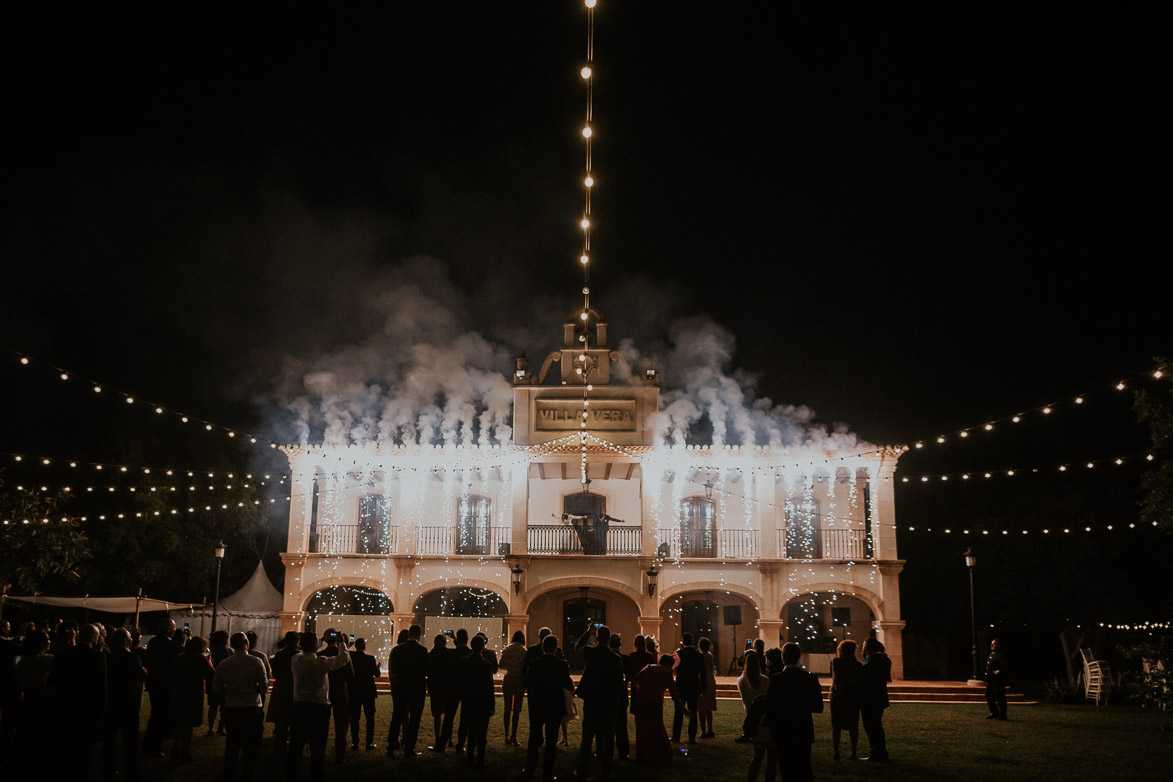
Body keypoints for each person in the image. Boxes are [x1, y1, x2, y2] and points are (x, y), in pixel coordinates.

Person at [286, 631, 352, 782]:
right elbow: (343, 659)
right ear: (315, 645)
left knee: (296, 745)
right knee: (318, 747)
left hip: (299, 706)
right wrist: (342, 642)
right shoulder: (320, 662)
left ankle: (291, 774)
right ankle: (316, 774)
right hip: (318, 709)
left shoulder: (296, 659)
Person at [50, 623, 108, 774]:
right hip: (87, 709)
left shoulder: (63, 654)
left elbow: (53, 682)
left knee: (66, 746)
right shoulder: (97, 657)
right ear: (93, 637)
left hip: (65, 706)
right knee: (84, 750)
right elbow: (101, 687)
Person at [213, 631, 269, 781]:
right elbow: (264, 686)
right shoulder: (256, 661)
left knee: (232, 745)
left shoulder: (224, 664)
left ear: (231, 644)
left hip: (232, 708)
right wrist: (255, 689)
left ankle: (229, 774)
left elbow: (216, 688)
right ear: (247, 643)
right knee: (251, 747)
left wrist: (229, 690)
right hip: (252, 708)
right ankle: (248, 774)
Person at [764, 642, 823, 782]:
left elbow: (770, 707)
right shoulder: (810, 678)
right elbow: (818, 707)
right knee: (805, 769)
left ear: (783, 657)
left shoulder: (776, 680)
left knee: (786, 770)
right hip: (803, 729)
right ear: (799, 657)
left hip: (783, 731)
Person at [521, 634, 573, 782]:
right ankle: (547, 772)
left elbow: (526, 683)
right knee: (551, 742)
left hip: (537, 704)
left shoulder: (534, 663)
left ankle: (529, 770)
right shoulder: (562, 665)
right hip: (554, 705)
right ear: (556, 648)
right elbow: (568, 685)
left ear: (543, 647)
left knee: (534, 737)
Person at [576, 624, 625, 780]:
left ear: (597, 637)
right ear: (609, 639)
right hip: (608, 700)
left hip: (592, 699)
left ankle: (583, 768)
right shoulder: (616, 658)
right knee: (608, 736)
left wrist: (587, 632)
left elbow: (578, 646)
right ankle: (606, 769)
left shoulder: (590, 652)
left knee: (588, 734)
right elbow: (619, 682)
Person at [103, 628, 145, 782]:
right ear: (126, 640)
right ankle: (131, 769)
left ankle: (109, 768)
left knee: (110, 738)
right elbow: (139, 676)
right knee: (130, 739)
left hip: (112, 701)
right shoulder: (132, 656)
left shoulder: (107, 656)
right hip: (128, 702)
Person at [630, 653, 685, 766]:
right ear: (669, 664)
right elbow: (675, 695)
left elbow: (635, 680)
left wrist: (641, 691)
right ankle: (658, 754)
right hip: (655, 702)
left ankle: (643, 755)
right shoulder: (667, 674)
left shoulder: (648, 668)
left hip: (642, 701)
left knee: (642, 729)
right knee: (656, 728)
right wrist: (684, 709)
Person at [172, 635, 215, 763]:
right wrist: (210, 661)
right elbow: (212, 674)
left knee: (180, 722)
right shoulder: (200, 659)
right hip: (194, 693)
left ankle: (175, 748)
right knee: (188, 724)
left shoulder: (179, 658)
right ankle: (185, 750)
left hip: (180, 692)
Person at [387, 624, 428, 757]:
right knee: (415, 719)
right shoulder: (422, 651)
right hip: (417, 688)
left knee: (397, 717)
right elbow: (427, 670)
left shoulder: (398, 650)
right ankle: (409, 748)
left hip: (402, 688)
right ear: (419, 635)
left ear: (409, 634)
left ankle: (391, 746)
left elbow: (394, 670)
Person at [143, 618, 181, 757]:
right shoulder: (170, 645)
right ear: (169, 629)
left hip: (154, 683)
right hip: (165, 685)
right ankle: (153, 747)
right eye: (174, 628)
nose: (175, 630)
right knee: (160, 715)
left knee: (156, 714)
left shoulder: (153, 642)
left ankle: (150, 743)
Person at [737, 650, 774, 782]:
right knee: (771, 760)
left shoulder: (741, 681)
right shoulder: (766, 680)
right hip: (767, 722)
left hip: (753, 722)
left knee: (757, 758)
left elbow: (749, 703)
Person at [460, 634, 496, 768]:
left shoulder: (465, 662)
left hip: (469, 700)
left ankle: (470, 756)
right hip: (482, 702)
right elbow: (489, 686)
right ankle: (480, 758)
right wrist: (491, 703)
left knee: (471, 729)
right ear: (483, 647)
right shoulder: (486, 665)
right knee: (482, 732)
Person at [319, 628, 354, 764]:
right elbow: (351, 674)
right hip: (340, 692)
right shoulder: (343, 654)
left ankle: (320, 752)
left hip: (324, 692)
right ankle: (340, 755)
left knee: (323, 725)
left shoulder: (321, 654)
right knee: (341, 726)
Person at [268, 630, 300, 756]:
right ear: (298, 642)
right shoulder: (299, 656)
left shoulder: (279, 655)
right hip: (295, 690)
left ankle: (279, 750)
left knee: (281, 720)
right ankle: (293, 750)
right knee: (295, 721)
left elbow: (274, 673)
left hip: (282, 689)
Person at [859, 637, 891, 762]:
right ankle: (880, 751)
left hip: (870, 697)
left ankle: (876, 753)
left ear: (868, 647)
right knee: (876, 725)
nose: (862, 647)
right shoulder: (884, 659)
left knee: (872, 726)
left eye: (863, 644)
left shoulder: (872, 661)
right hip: (879, 696)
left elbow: (864, 676)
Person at [830, 639, 862, 761]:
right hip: (853, 697)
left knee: (836, 725)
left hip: (838, 697)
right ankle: (853, 752)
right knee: (853, 725)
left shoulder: (836, 662)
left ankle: (836, 752)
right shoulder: (858, 665)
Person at [672, 632, 706, 744]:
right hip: (693, 686)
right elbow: (703, 673)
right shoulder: (699, 655)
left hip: (681, 686)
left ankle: (676, 736)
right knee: (693, 711)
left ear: (683, 642)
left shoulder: (678, 654)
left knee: (678, 712)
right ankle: (691, 738)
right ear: (692, 641)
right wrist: (703, 688)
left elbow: (672, 668)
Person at [349, 637, 380, 751]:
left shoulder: (351, 657)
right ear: (365, 646)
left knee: (354, 717)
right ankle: (369, 742)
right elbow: (376, 675)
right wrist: (377, 668)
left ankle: (355, 743)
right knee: (370, 717)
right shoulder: (370, 658)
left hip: (354, 691)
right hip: (368, 691)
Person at [498, 630, 528, 746]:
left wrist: (508, 671)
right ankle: (514, 736)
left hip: (508, 680)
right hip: (519, 682)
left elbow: (501, 665)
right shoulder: (524, 651)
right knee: (516, 710)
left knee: (506, 708)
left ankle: (506, 735)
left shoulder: (506, 649)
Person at [609, 633, 633, 760]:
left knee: (606, 725)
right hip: (621, 695)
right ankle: (623, 752)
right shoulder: (626, 659)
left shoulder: (604, 658)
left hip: (607, 695)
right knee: (622, 726)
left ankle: (603, 751)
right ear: (620, 645)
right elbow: (630, 676)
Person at [426, 633, 449, 748]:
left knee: (437, 715)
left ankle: (437, 740)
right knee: (448, 714)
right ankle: (448, 739)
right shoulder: (449, 654)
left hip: (435, 687)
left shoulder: (431, 655)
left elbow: (427, 670)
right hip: (447, 686)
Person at [207, 628, 231, 736]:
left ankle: (210, 728)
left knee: (213, 706)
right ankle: (221, 728)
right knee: (224, 707)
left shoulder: (211, 650)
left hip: (213, 681)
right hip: (226, 681)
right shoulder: (229, 651)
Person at [697, 636, 719, 739]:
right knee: (709, 708)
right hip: (711, 680)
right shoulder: (710, 655)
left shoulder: (700, 656)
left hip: (703, 680)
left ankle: (703, 731)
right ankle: (710, 730)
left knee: (701, 708)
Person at [985, 637, 1009, 721]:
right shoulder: (992, 654)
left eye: (994, 644)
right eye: (991, 643)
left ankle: (1003, 715)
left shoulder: (1001, 655)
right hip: (990, 680)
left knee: (999, 697)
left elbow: (1006, 666)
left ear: (998, 646)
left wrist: (999, 671)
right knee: (989, 695)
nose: (992, 645)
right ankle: (994, 713)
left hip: (998, 680)